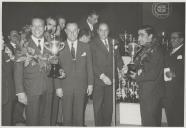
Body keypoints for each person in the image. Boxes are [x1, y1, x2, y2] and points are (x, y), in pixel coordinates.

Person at [14, 18, 54, 126]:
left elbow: (54, 63)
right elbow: (18, 69)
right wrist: (20, 92)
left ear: (45, 27)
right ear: (30, 28)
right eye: (34, 26)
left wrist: (59, 70)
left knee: (46, 121)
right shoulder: (22, 44)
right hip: (31, 90)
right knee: (33, 121)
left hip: (48, 88)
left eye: (40, 26)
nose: (37, 29)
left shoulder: (51, 44)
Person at [54, 22, 94, 126]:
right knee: (67, 118)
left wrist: (90, 84)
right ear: (65, 31)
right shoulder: (59, 46)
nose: (72, 33)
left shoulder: (86, 46)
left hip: (81, 87)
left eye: (75, 30)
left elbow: (89, 66)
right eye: (70, 31)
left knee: (79, 117)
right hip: (65, 87)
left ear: (78, 31)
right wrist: (58, 87)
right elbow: (55, 67)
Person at [130, 25, 165, 126]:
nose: (138, 38)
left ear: (150, 36)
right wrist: (128, 70)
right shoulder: (144, 49)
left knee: (150, 122)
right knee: (147, 120)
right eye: (138, 35)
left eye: (142, 35)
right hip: (146, 91)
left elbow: (153, 74)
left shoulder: (156, 50)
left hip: (152, 93)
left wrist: (136, 76)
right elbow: (139, 65)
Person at [90, 22, 123, 126]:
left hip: (112, 80)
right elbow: (91, 64)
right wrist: (102, 76)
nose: (103, 32)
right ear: (97, 31)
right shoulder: (92, 44)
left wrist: (122, 68)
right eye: (101, 30)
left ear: (109, 31)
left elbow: (118, 59)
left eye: (106, 30)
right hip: (99, 80)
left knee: (109, 107)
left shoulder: (114, 42)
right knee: (98, 107)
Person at [164, 32, 184, 126]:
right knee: (170, 118)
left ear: (181, 39)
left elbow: (181, 72)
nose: (171, 40)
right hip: (168, 92)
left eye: (174, 38)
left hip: (178, 93)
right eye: (171, 38)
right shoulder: (169, 51)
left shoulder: (183, 51)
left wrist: (166, 74)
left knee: (177, 119)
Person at [2, 36, 16, 126]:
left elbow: (15, 71)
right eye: (1, 39)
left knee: (7, 122)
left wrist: (12, 57)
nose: (3, 41)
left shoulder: (6, 53)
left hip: (9, 95)